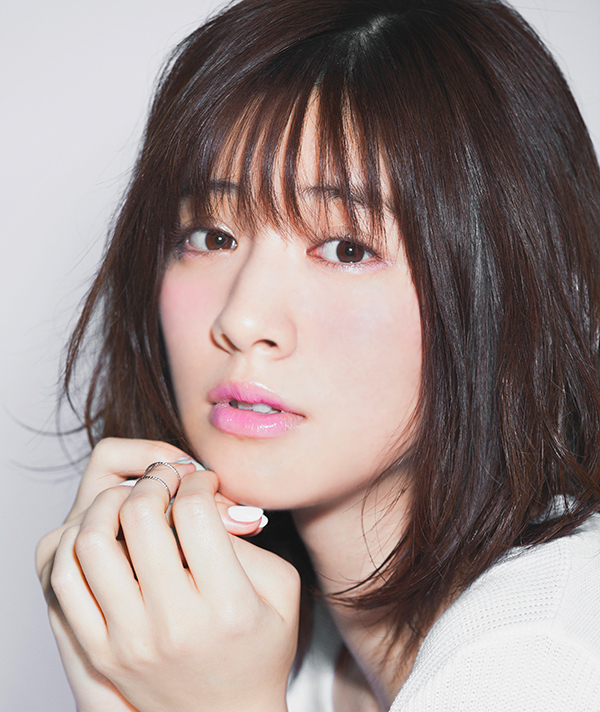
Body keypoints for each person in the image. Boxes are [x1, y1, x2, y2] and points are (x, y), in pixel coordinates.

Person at [35, 0, 600, 710]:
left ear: (507, 286)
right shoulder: (267, 648)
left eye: (347, 248)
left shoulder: (542, 660)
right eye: (211, 236)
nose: (242, 319)